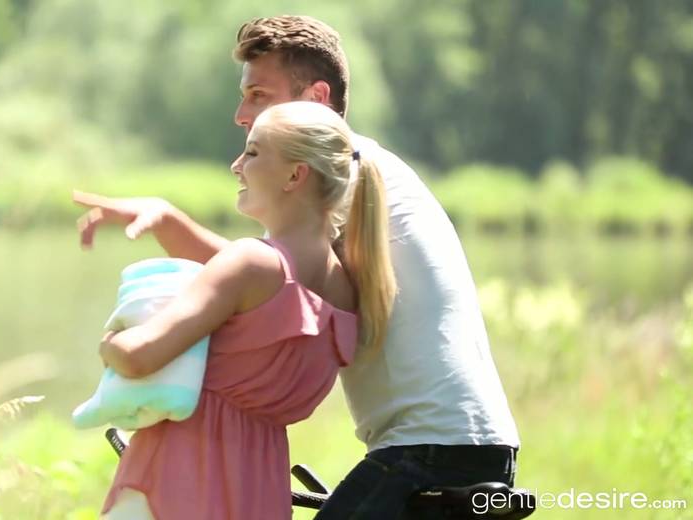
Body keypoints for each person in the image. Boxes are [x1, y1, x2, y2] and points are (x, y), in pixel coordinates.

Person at [75, 15, 520, 519]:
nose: (241, 115)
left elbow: (256, 277)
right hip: (468, 446)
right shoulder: (359, 177)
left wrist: (122, 340)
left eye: (259, 95)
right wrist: (169, 219)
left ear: (317, 99)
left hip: (428, 451)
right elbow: (263, 279)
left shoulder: (344, 176)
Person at [94, 101, 394, 519]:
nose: (237, 165)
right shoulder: (346, 292)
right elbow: (261, 282)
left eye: (252, 152)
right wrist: (167, 219)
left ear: (295, 175)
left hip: (173, 487)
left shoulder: (251, 264)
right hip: (260, 495)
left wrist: (111, 340)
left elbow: (136, 357)